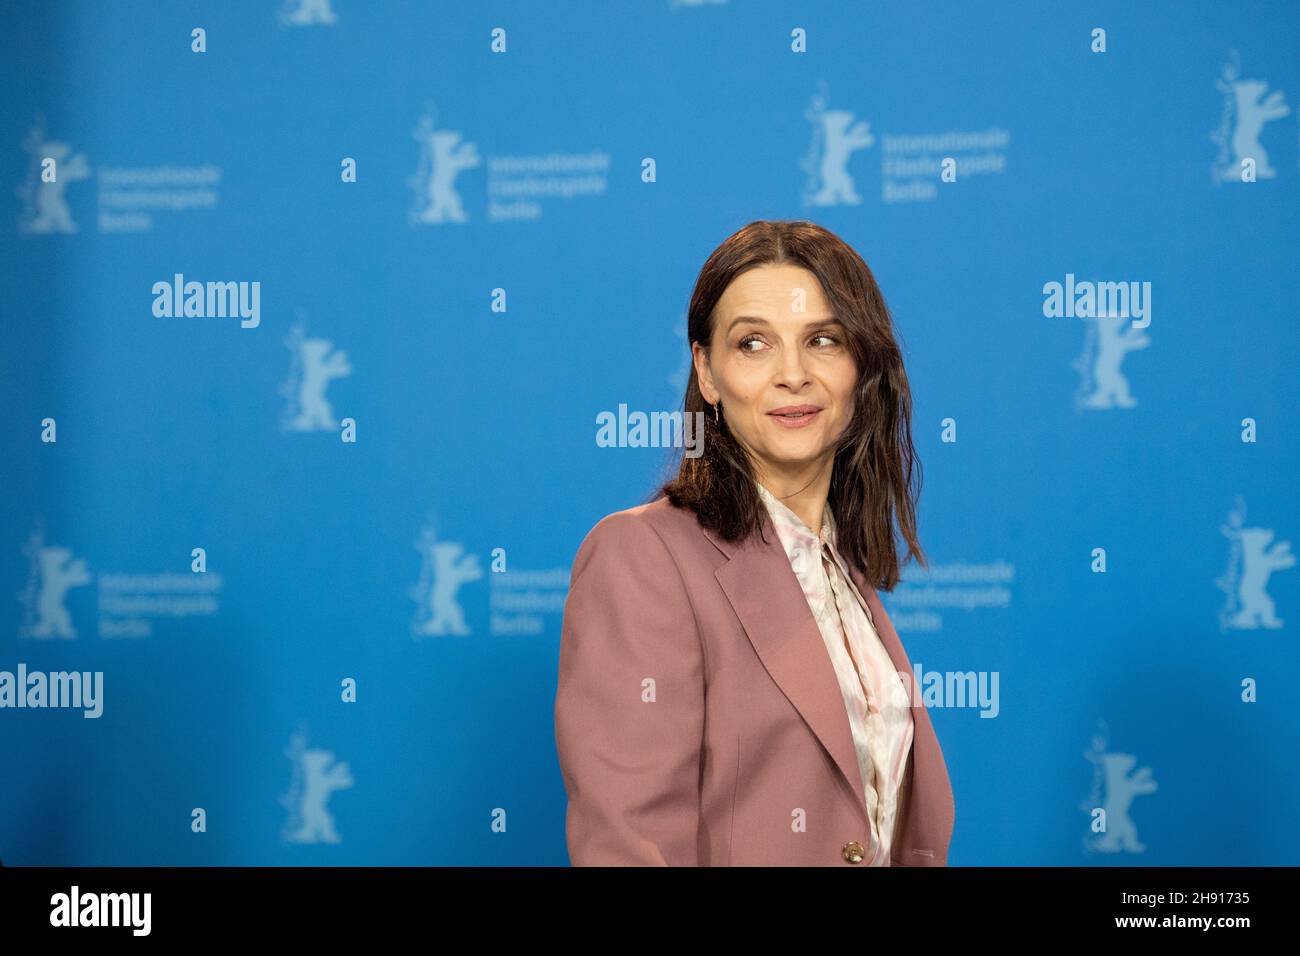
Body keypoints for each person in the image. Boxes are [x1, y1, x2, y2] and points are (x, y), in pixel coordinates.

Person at [555, 219, 954, 866]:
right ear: (707, 373)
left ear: (863, 366)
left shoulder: (841, 571)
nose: (792, 374)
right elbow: (628, 848)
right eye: (753, 344)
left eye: (822, 340)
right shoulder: (642, 558)